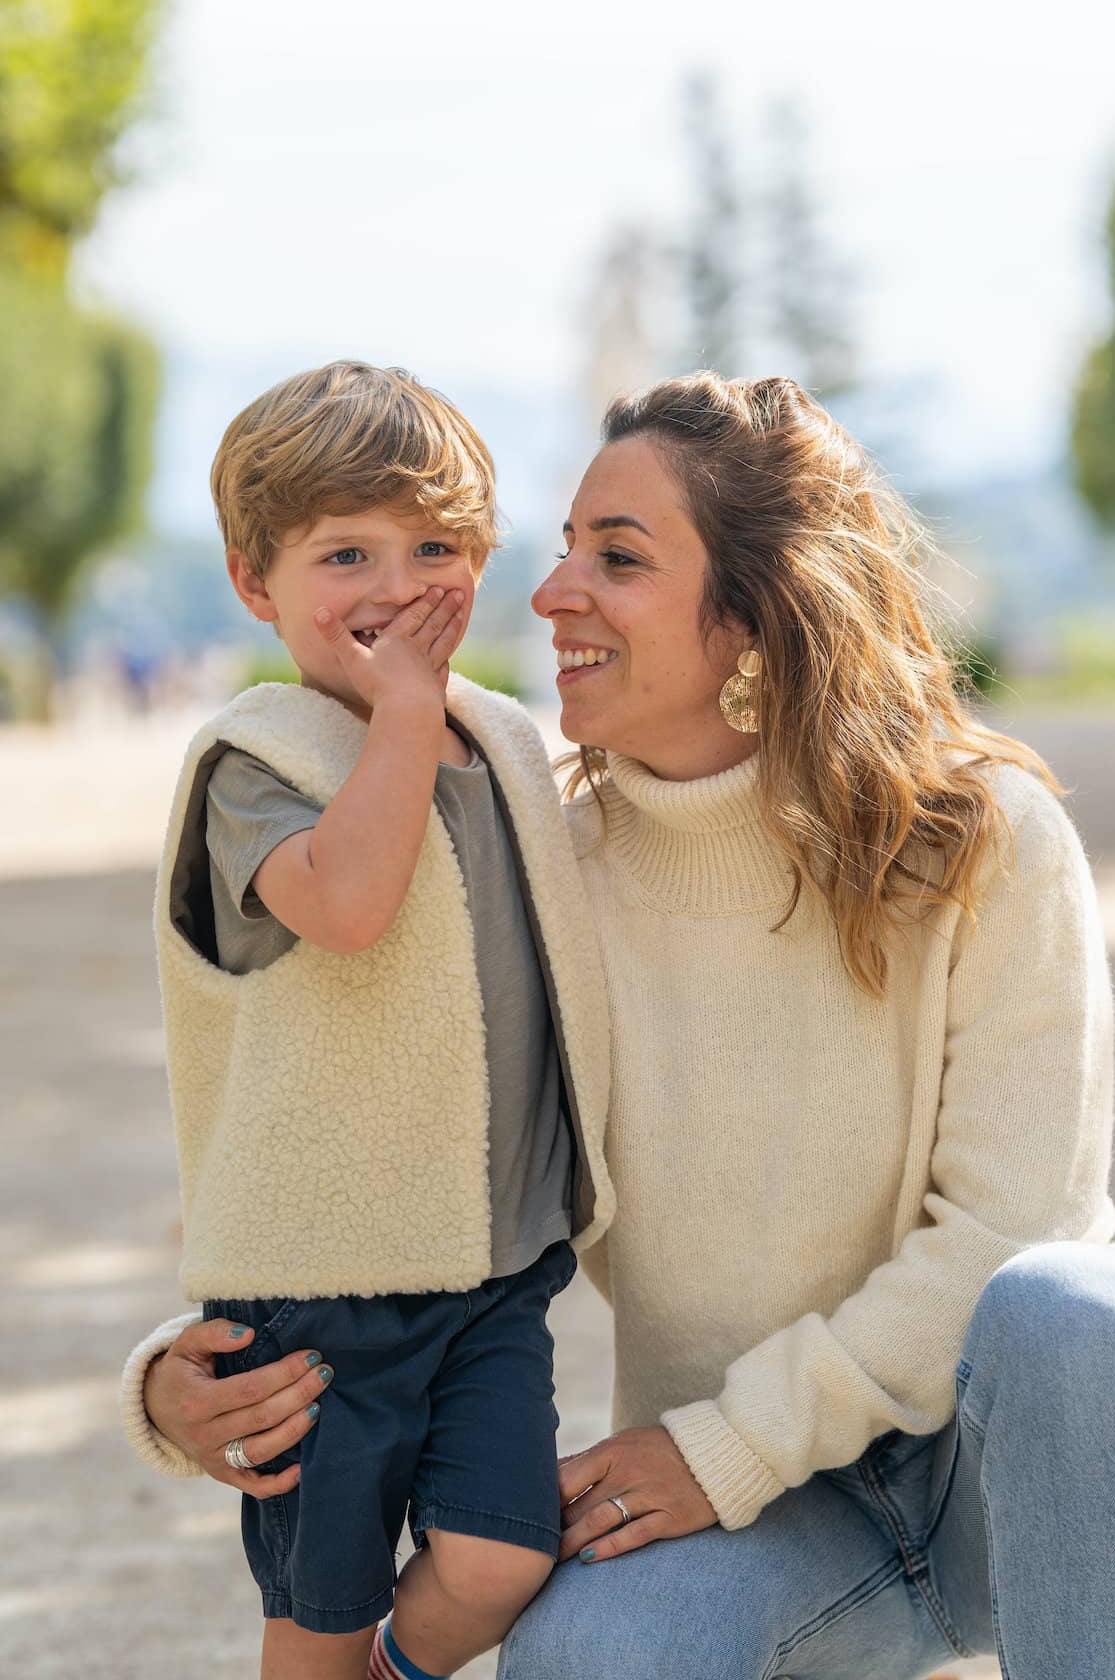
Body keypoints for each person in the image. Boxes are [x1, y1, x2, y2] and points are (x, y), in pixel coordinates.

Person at [124, 373, 1115, 1679]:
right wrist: (178, 1384)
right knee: (581, 1656)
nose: (550, 592)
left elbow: (1010, 1228)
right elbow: (361, 1122)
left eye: (616, 558)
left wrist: (726, 1444)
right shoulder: (537, 867)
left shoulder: (983, 842)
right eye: (565, 547)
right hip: (762, 1523)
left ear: (754, 617)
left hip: (996, 1479)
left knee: (1081, 1305)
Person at [128, 360, 614, 1680]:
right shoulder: (258, 760)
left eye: (435, 546)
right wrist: (402, 713)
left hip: (496, 1269)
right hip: (317, 1287)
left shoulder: (509, 744)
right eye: (347, 552)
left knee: (503, 1557)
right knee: (318, 1618)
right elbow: (344, 904)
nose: (397, 585)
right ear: (254, 582)